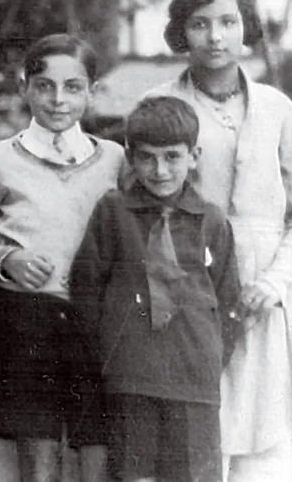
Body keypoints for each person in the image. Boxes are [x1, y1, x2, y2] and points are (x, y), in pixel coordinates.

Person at [143, 0, 292, 481]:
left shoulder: (277, 109)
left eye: (228, 22)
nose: (215, 36)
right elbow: (143, 205)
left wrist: (275, 283)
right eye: (201, 24)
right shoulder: (160, 104)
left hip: (264, 294)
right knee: (197, 441)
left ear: (245, 26)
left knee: (267, 445)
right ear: (182, 31)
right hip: (189, 295)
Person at [0, 34, 123, 482]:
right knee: (39, 453)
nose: (58, 99)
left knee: (97, 446)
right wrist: (5, 260)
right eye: (45, 85)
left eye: (73, 86)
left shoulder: (115, 160)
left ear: (92, 90)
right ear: (24, 87)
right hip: (26, 318)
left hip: (97, 319)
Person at [71, 96, 242, 482]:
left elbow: (228, 301)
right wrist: (113, 351)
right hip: (131, 376)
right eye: (147, 157)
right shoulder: (113, 212)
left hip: (193, 380)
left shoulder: (212, 220)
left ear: (193, 156)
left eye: (172, 157)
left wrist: (207, 355)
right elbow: (86, 290)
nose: (160, 170)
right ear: (131, 157)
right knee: (135, 475)